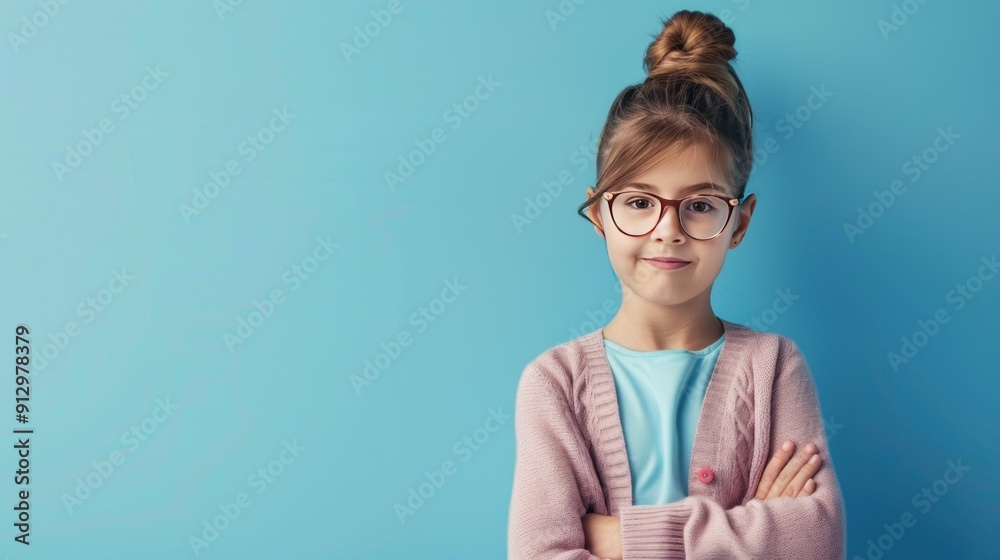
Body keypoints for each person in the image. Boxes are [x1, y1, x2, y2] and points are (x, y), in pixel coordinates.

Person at [507, 9, 846, 560]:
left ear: (739, 222)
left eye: (701, 206)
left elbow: (816, 542)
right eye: (639, 202)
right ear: (598, 213)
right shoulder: (555, 384)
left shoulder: (775, 367)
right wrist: (748, 530)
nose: (668, 231)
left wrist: (622, 537)